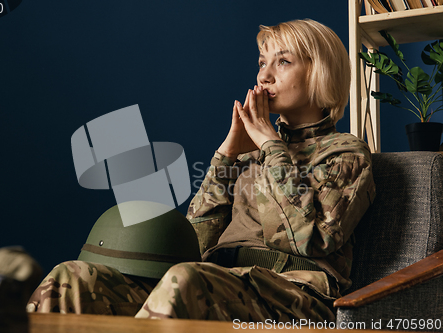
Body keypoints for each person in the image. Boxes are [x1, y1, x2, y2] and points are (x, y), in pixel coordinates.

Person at [27, 19, 375, 323]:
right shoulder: (251, 154)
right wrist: (226, 156)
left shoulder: (346, 153)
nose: (263, 75)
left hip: (296, 296)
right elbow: (195, 242)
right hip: (212, 279)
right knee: (71, 277)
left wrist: (271, 147)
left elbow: (308, 239)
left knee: (185, 280)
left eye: (282, 62)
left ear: (319, 72)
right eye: (262, 62)